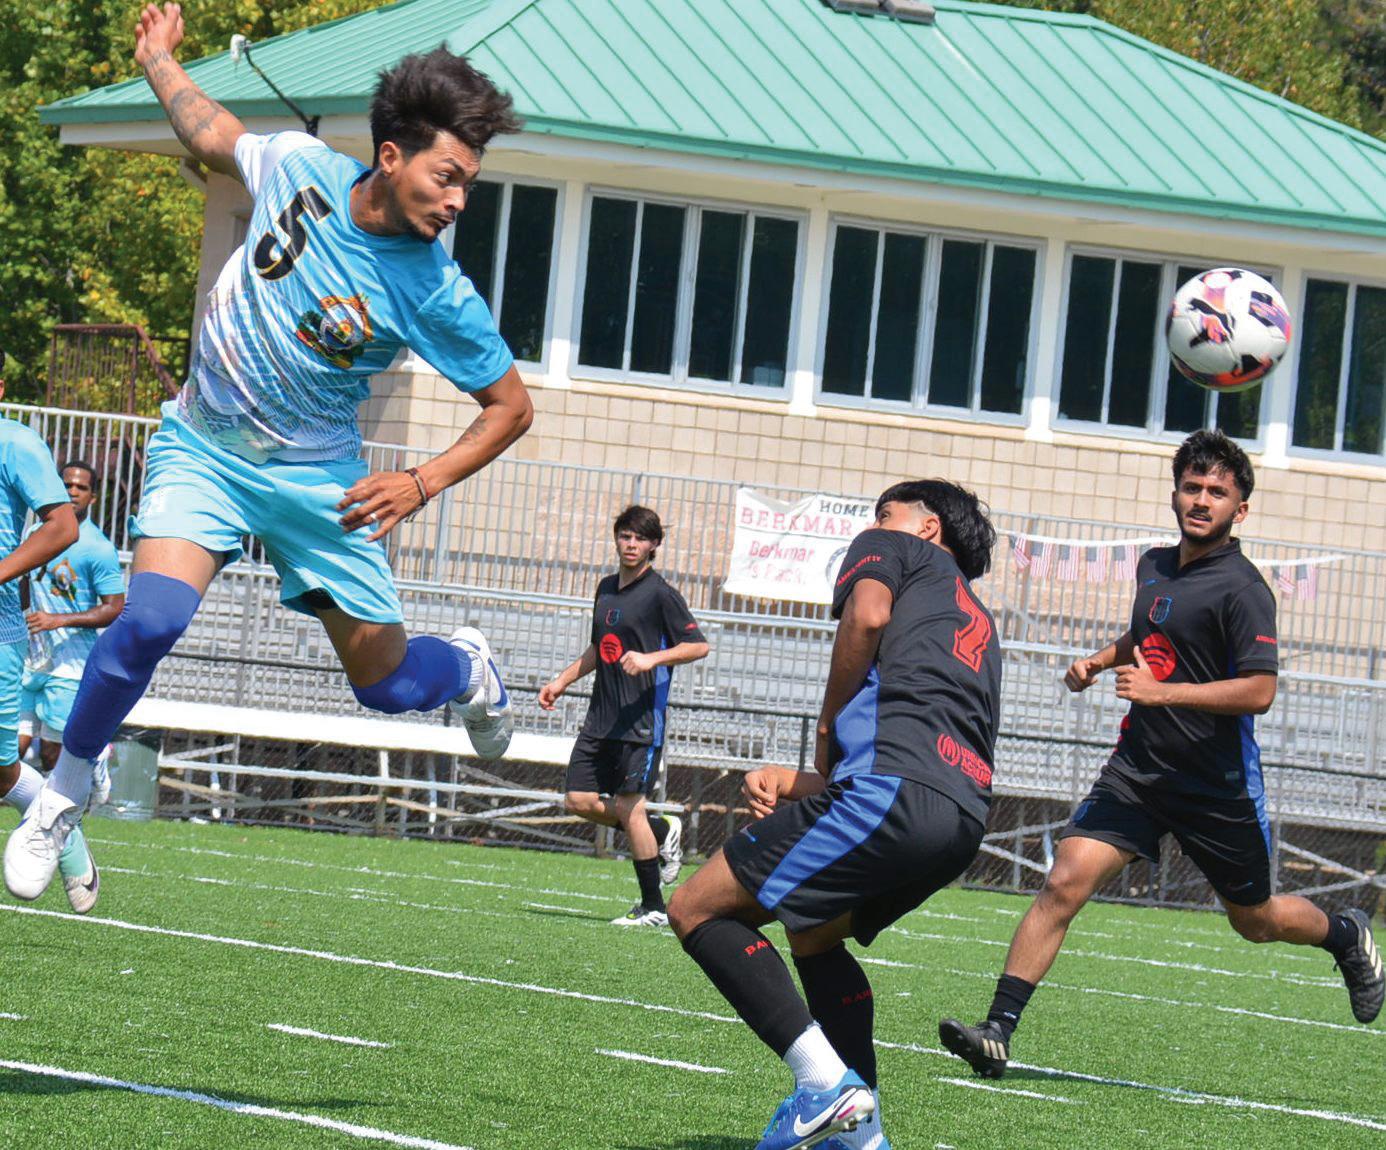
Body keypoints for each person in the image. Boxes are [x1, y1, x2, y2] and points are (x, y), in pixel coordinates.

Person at [4, 3, 534, 901]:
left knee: (385, 686)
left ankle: (469, 668)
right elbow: (211, 130)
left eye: (469, 186)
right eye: (447, 176)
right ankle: (62, 796)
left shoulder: (437, 290)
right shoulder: (299, 165)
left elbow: (510, 408)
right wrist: (158, 59)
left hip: (318, 485)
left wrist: (420, 480)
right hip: (203, 450)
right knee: (148, 622)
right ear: (391, 155)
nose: (457, 201)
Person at [939, 429, 1384, 1082]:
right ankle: (997, 1032)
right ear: (1175, 493)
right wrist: (1099, 660)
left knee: (1255, 921)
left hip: (1216, 785)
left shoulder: (1244, 589)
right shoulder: (1154, 565)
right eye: (1192, 487)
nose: (1202, 500)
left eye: (1217, 492)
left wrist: (1161, 691)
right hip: (1138, 772)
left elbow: (1260, 691)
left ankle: (1344, 934)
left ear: (1240, 509)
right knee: (1064, 881)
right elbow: (1150, 631)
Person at [667, 480, 1001, 1150]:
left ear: (926, 526)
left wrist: (825, 723)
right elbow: (914, 743)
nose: (874, 521)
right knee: (814, 933)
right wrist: (796, 782)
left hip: (892, 796)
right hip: (960, 818)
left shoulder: (891, 549)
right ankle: (859, 1137)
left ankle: (824, 1084)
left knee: (697, 908)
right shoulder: (975, 617)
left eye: (886, 512)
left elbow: (866, 617)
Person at [540, 506, 709, 927]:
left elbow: (698, 646)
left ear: (654, 545)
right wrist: (561, 681)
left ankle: (653, 907)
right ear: (616, 539)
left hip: (641, 719)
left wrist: (652, 658)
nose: (631, 544)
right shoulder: (606, 588)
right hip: (602, 716)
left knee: (629, 807)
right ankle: (660, 830)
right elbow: (600, 647)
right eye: (625, 536)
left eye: (640, 538)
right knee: (577, 800)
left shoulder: (661, 594)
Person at [0, 352, 99, 912]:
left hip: (2, 630)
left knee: (0, 775)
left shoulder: (16, 442)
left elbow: (61, 527)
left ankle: (64, 832)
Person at [19, 462, 125, 785]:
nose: (73, 492)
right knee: (11, 748)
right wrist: (21, 616)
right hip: (29, 657)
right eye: (67, 485)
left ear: (93, 496)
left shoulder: (98, 548)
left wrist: (57, 620)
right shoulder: (35, 534)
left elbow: (114, 608)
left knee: (53, 755)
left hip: (70, 664)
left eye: (81, 487)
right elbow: (25, 580)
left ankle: (96, 758)